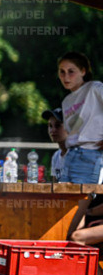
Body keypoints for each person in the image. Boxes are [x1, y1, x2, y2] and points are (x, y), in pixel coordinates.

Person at [56, 51, 103, 183]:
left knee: (81, 197)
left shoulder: (95, 88)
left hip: (90, 154)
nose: (66, 77)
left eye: (71, 71)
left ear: (83, 71)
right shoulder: (66, 101)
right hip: (70, 155)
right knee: (63, 196)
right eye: (62, 72)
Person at [42, 107, 69, 181]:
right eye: (50, 126)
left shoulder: (78, 155)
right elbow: (54, 186)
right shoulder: (56, 156)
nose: (53, 130)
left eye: (58, 125)